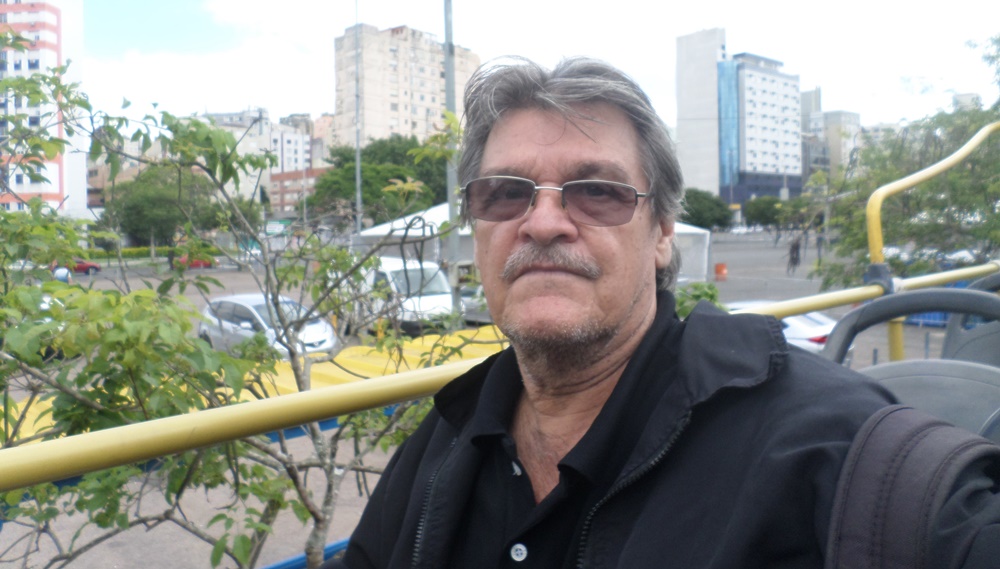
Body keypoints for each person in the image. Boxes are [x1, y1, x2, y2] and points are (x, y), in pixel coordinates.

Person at [329, 57, 1000, 568]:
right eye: (505, 192)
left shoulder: (825, 445)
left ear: (661, 234)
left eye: (597, 191)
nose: (542, 222)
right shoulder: (447, 440)